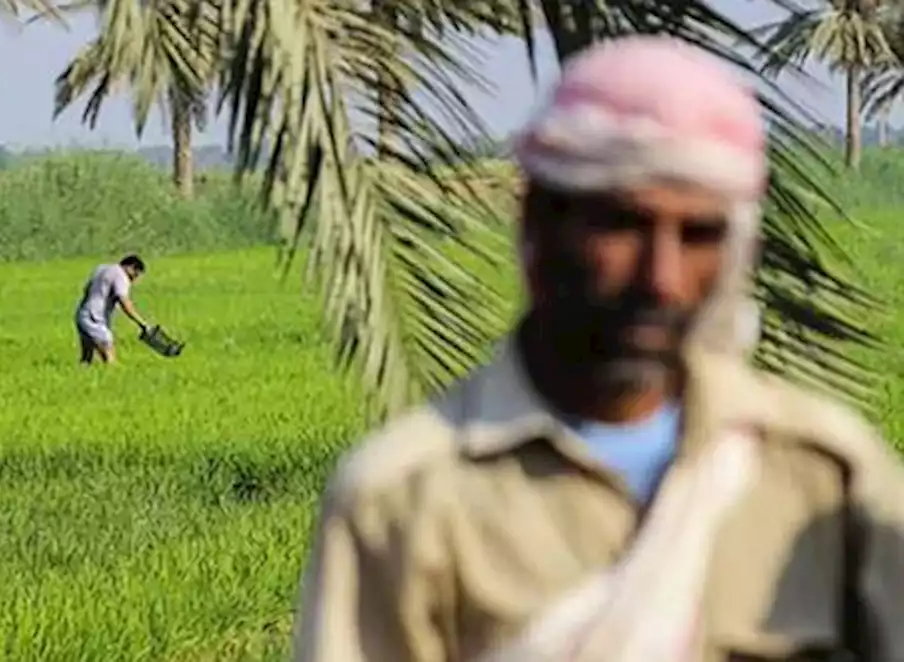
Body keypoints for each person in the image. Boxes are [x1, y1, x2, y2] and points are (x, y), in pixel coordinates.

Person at [292, 36, 904, 662]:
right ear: (539, 223)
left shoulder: (826, 474)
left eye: (698, 235)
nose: (660, 278)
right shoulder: (403, 502)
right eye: (621, 225)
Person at [75, 254, 150, 364]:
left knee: (86, 358)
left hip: (82, 314)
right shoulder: (121, 275)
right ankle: (112, 377)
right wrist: (142, 323)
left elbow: (86, 289)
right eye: (135, 275)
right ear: (131, 267)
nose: (134, 280)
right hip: (95, 318)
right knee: (108, 352)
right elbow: (124, 301)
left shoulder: (101, 268)